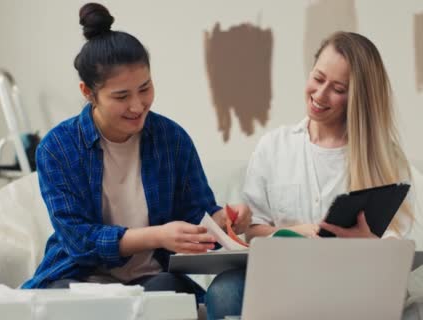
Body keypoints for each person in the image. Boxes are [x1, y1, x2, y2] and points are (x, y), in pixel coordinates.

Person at [21, 2, 251, 303]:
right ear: (88, 92)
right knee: (67, 304)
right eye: (121, 96)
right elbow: (78, 240)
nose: (137, 105)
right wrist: (158, 235)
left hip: (153, 279)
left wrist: (223, 221)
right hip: (76, 277)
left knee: (169, 295)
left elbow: (197, 215)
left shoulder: (172, 139)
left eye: (145, 88)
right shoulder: (58, 148)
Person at [204, 31, 414, 319]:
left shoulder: (384, 158)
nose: (320, 94)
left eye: (338, 89)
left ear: (358, 97)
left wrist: (369, 246)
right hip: (281, 278)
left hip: (352, 280)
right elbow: (254, 231)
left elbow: (398, 246)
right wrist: (297, 233)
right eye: (317, 78)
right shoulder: (274, 147)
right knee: (225, 291)